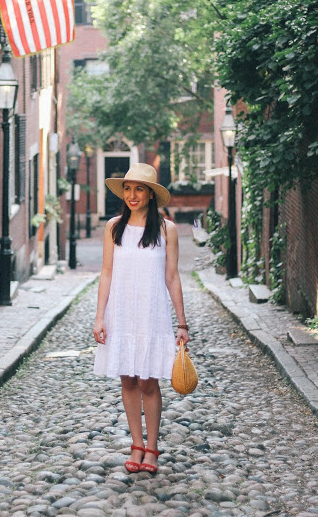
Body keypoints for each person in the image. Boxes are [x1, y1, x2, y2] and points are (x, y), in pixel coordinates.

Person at [93, 163, 189, 474]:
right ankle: (136, 444)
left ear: (150, 195)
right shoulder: (113, 227)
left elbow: (172, 277)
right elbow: (106, 274)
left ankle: (153, 449)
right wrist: (100, 317)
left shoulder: (166, 230)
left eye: (139, 189)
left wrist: (182, 323)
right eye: (128, 189)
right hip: (121, 313)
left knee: (149, 382)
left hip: (151, 315)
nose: (132, 195)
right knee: (128, 380)